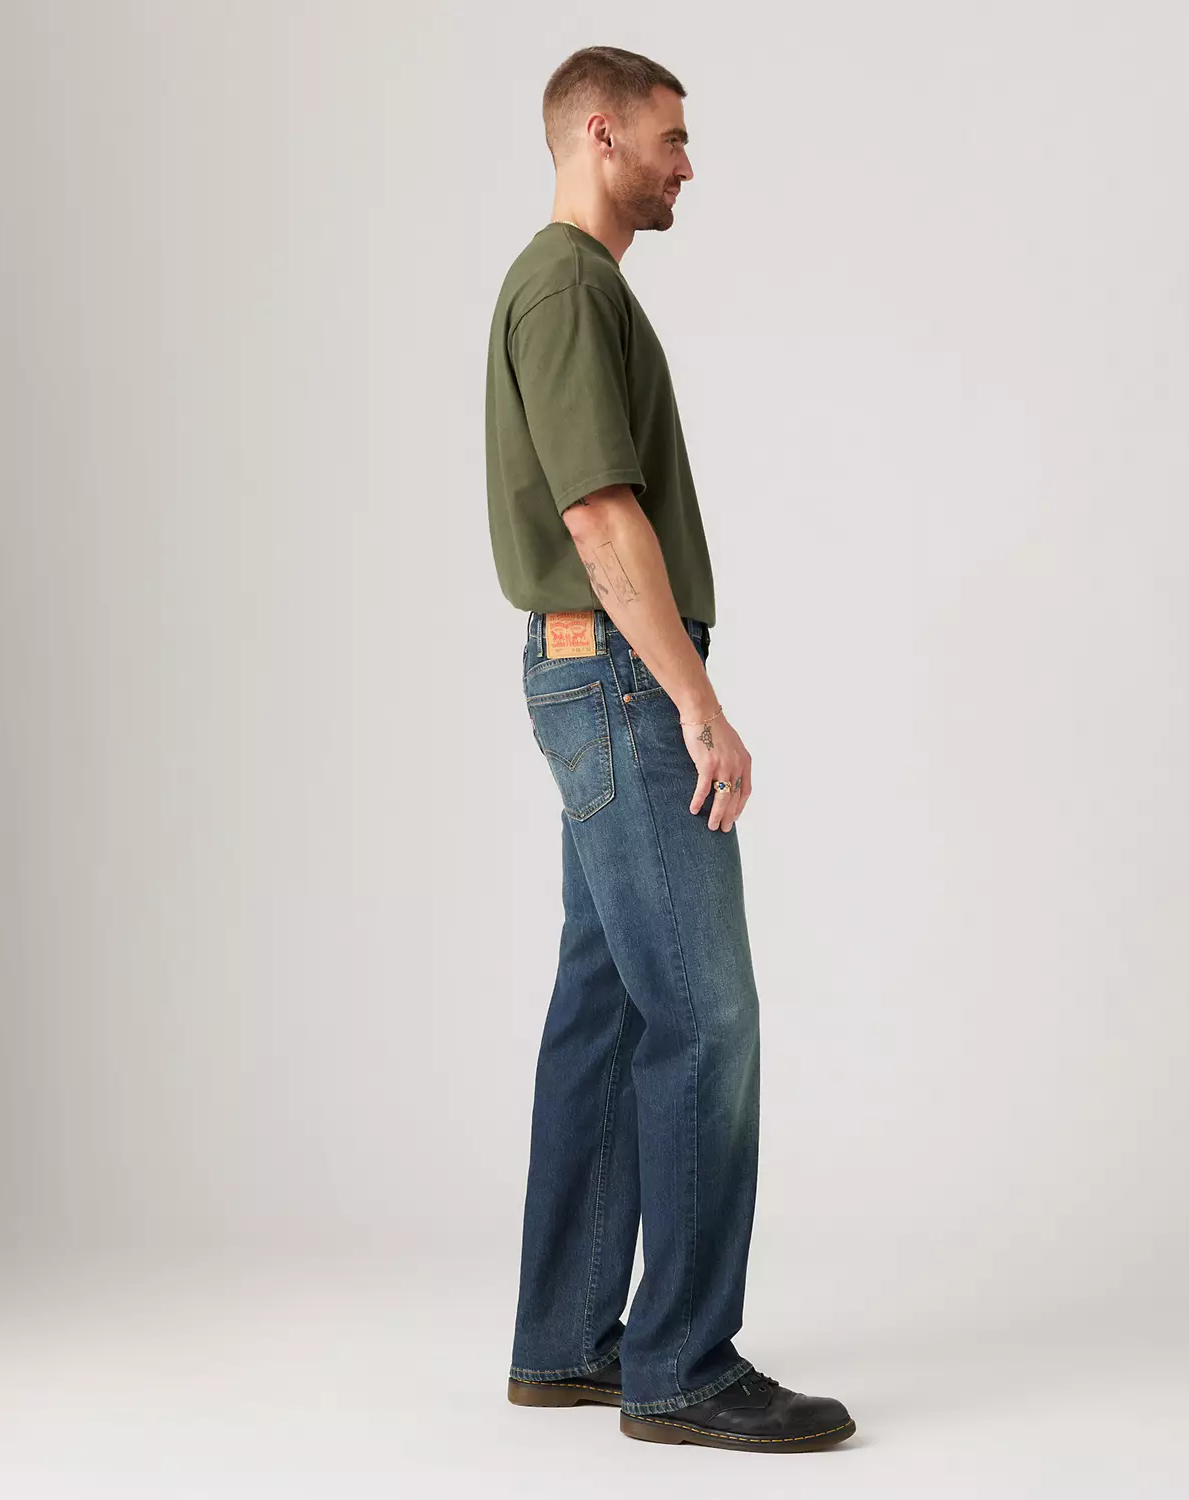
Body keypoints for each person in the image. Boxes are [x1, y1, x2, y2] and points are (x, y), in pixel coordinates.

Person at [482, 45, 856, 1453]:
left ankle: (566, 1342)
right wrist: (698, 700)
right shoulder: (568, 288)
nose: (688, 164)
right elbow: (597, 515)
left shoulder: (573, 286)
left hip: (596, 675)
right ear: (602, 133)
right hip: (624, 682)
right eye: (673, 138)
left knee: (611, 1009)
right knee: (704, 1016)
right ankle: (684, 1365)